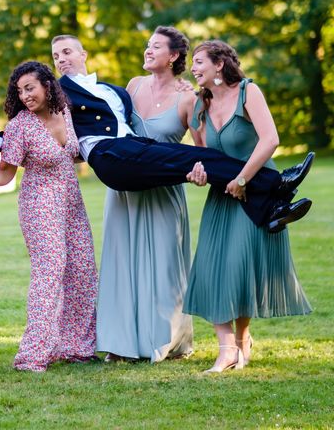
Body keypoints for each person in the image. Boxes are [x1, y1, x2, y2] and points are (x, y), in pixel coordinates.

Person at [50, 34, 313, 232]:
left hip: (132, 149)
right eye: (56, 56)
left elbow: (139, 115)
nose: (61, 59)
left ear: (83, 54)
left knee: (200, 159)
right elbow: (33, 118)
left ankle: (270, 212)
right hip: (108, 155)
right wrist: (7, 139)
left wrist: (182, 91)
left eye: (66, 52)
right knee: (193, 158)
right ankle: (279, 183)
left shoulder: (113, 90)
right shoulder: (56, 92)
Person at [182, 40, 312, 372]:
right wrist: (199, 174)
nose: (193, 68)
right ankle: (227, 350)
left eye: (199, 62)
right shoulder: (200, 104)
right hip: (220, 198)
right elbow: (204, 154)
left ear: (219, 64)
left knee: (239, 269)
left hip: (254, 193)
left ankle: (242, 338)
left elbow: (270, 139)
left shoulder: (248, 92)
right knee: (213, 269)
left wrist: (242, 179)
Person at [0, 61, 97, 372]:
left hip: (71, 201)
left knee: (82, 269)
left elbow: (78, 153)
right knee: (50, 272)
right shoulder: (19, 125)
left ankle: (76, 347)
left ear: (47, 85)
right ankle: (33, 355)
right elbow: (4, 176)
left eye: (30, 88)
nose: (25, 95)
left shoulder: (65, 113)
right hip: (39, 204)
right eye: (20, 91)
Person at [97, 26, 195, 362]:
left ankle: (166, 339)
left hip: (165, 190)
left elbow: (203, 148)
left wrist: (201, 171)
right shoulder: (133, 86)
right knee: (122, 263)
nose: (147, 51)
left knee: (165, 266)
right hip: (125, 192)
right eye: (147, 45)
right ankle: (121, 343)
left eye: (155, 47)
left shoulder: (188, 96)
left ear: (174, 56)